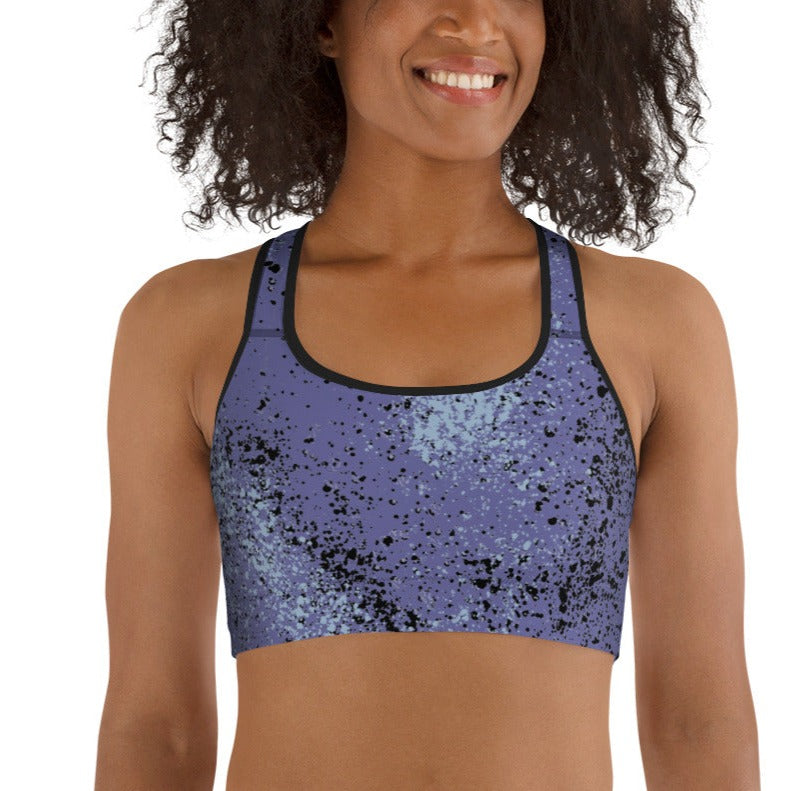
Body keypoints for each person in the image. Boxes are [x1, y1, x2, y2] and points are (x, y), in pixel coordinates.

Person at [95, 0, 760, 789]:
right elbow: (157, 727)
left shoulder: (655, 324)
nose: (475, 23)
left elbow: (697, 719)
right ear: (320, 20)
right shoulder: (190, 325)